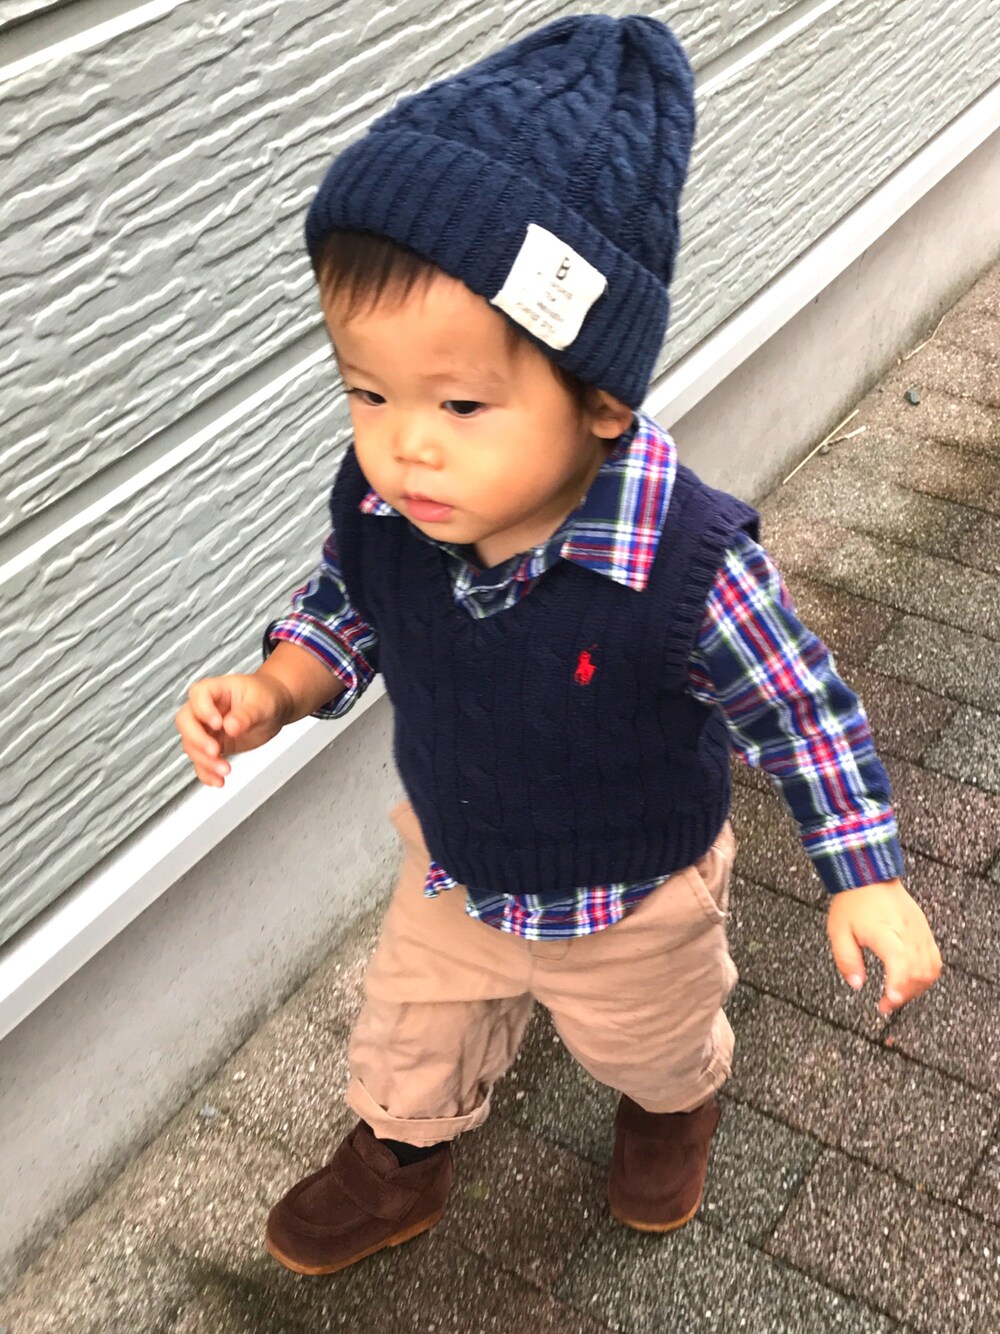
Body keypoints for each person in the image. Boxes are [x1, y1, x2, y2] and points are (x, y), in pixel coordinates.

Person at [174, 14, 941, 1278]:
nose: (405, 444)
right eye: (367, 391)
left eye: (460, 401)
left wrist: (863, 872)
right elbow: (345, 606)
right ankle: (401, 1153)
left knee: (650, 1038)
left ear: (600, 398)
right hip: (455, 863)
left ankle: (672, 1105)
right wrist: (271, 688)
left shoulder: (688, 566)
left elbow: (803, 711)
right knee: (407, 1036)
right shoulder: (389, 509)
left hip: (632, 892)